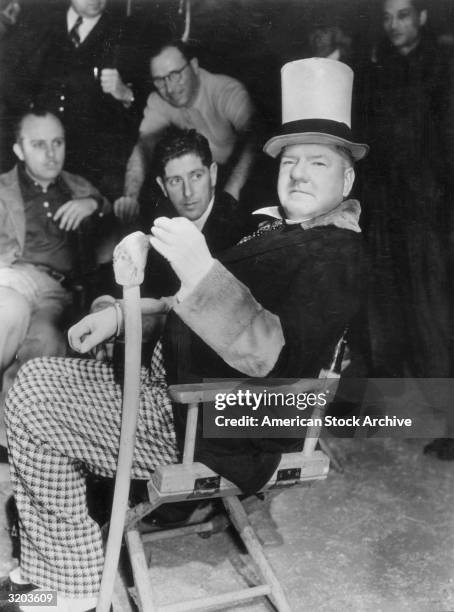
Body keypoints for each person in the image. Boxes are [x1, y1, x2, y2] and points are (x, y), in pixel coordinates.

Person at [1, 58, 367, 611]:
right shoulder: (286, 232)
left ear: (347, 180)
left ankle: (67, 586)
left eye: (318, 162)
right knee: (38, 374)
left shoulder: (335, 253)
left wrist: (202, 270)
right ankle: (69, 565)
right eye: (291, 160)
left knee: (31, 398)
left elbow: (272, 354)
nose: (297, 172)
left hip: (213, 423)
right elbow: (188, 304)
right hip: (181, 402)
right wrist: (125, 316)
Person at [360, 0, 454, 457]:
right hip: (388, 214)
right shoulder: (380, 70)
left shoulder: (443, 68)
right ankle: (394, 407)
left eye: (402, 15)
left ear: (421, 17)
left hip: (429, 216)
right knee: (390, 314)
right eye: (387, 17)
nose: (393, 25)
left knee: (432, 317)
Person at [0, 108, 110, 401]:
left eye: (57, 142)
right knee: (6, 309)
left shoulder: (79, 187)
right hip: (12, 276)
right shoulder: (2, 189)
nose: (51, 154)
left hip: (56, 293)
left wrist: (94, 205)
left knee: (42, 350)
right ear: (19, 150)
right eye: (39, 144)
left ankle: (7, 441)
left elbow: (119, 220)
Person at [1, 0, 142, 202]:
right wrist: (29, 112)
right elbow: (7, 74)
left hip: (90, 170)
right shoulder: (39, 22)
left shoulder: (125, 34)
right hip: (34, 157)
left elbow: (144, 107)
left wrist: (126, 93)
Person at [114, 38, 257, 223]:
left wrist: (232, 191)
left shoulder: (226, 91)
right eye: (159, 80)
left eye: (175, 74)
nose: (170, 88)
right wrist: (130, 197)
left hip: (243, 179)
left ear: (194, 66)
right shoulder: (159, 101)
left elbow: (255, 138)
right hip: (198, 182)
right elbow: (143, 148)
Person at [141, 126, 250, 298]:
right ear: (162, 186)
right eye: (176, 181)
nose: (188, 192)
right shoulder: (159, 224)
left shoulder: (241, 227)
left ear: (213, 174)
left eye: (196, 176)